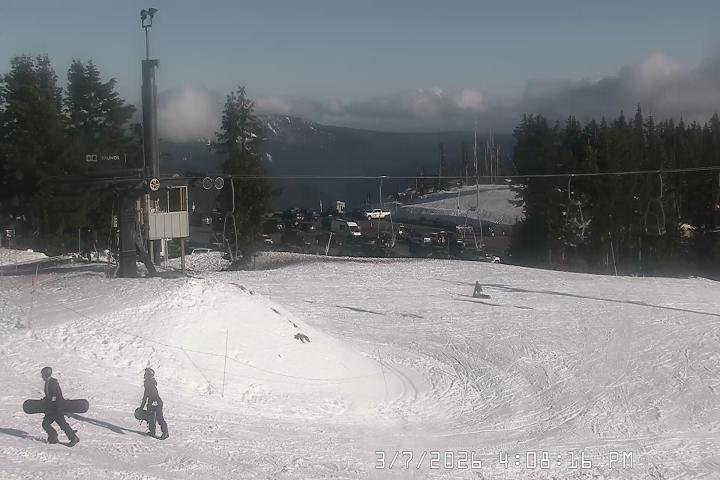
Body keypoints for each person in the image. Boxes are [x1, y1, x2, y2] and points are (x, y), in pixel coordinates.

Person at [40, 367, 79, 446]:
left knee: (62, 424)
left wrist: (58, 406)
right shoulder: (48, 383)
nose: (42, 376)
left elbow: (58, 396)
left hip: (57, 408)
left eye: (43, 374)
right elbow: (49, 396)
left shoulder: (53, 383)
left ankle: (73, 438)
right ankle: (53, 437)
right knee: (46, 424)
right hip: (51, 408)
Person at [140, 368, 169, 440]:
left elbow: (154, 395)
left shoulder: (151, 385)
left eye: (146, 374)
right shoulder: (147, 384)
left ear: (149, 376)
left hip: (157, 403)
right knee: (150, 417)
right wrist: (141, 407)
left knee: (159, 418)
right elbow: (145, 396)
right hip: (152, 403)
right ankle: (152, 431)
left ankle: (165, 433)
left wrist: (152, 404)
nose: (144, 375)